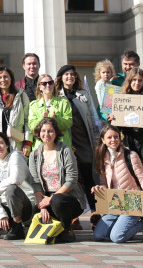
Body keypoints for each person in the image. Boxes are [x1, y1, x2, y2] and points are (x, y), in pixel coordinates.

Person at [91, 124, 143, 243]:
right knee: (99, 236)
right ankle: (125, 229)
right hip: (115, 202)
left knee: (117, 237)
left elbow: (142, 177)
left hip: (132, 201)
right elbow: (104, 183)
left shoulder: (131, 155)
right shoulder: (102, 158)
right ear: (103, 140)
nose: (113, 140)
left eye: (116, 137)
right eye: (109, 137)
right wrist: (100, 188)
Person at [56, 64, 102, 217]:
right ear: (61, 78)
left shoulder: (83, 95)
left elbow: (91, 119)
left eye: (72, 74)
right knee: (69, 179)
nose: (70, 77)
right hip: (66, 143)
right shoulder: (57, 96)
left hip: (83, 141)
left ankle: (96, 213)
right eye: (66, 74)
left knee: (89, 177)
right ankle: (72, 216)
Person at [29, 117, 84, 242]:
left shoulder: (65, 151)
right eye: (43, 131)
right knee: (31, 209)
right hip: (45, 197)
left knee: (57, 201)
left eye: (50, 131)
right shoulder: (34, 155)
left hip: (67, 197)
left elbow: (72, 179)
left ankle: (67, 228)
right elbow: (35, 182)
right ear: (39, 133)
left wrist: (51, 198)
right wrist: (41, 206)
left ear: (56, 133)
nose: (46, 134)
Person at [109, 68, 143, 168]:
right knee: (132, 170)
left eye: (140, 80)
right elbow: (117, 127)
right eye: (134, 80)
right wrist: (113, 119)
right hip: (128, 140)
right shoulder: (121, 98)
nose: (137, 83)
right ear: (129, 81)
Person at [0, 65, 31, 155]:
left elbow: (28, 120)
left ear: (11, 78)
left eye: (5, 77)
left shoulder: (21, 96)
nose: (3, 80)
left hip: (16, 145)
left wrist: (28, 142)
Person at [27, 74, 73, 149]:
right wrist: (43, 120)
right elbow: (32, 126)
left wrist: (56, 120)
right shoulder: (33, 105)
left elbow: (69, 122)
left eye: (50, 82)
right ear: (39, 87)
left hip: (61, 146)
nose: (48, 85)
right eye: (44, 83)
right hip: (41, 147)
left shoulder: (63, 102)